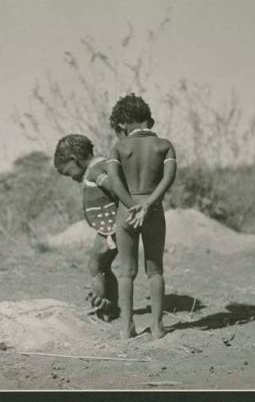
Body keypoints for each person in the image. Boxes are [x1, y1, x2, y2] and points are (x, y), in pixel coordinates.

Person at [107, 94, 177, 339]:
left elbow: (115, 180)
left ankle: (126, 327)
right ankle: (157, 327)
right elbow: (169, 178)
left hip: (126, 213)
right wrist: (147, 205)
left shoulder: (119, 147)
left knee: (126, 271)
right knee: (155, 270)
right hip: (154, 210)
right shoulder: (164, 146)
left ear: (122, 125)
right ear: (151, 121)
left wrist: (132, 206)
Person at [54, 134, 123, 321]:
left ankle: (101, 309)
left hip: (112, 228)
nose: (72, 178)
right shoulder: (98, 167)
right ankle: (111, 307)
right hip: (111, 227)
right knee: (104, 266)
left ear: (74, 159)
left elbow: (117, 188)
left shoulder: (96, 169)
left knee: (95, 265)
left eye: (69, 173)